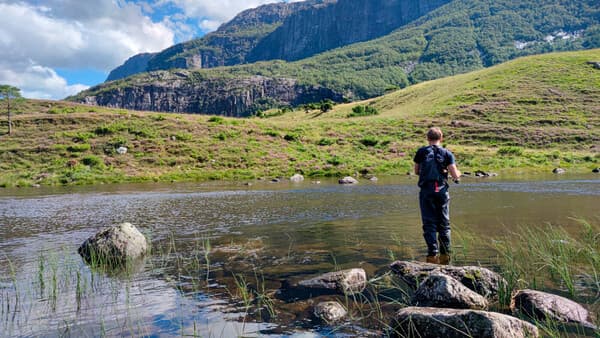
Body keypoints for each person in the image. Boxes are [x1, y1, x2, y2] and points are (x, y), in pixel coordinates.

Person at [413, 127, 461, 264]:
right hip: (441, 191)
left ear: (427, 138)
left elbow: (417, 171)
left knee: (429, 223)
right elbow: (454, 175)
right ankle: (445, 254)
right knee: (444, 224)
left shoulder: (421, 152)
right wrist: (459, 174)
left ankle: (432, 253)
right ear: (441, 138)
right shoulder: (447, 153)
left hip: (426, 191)